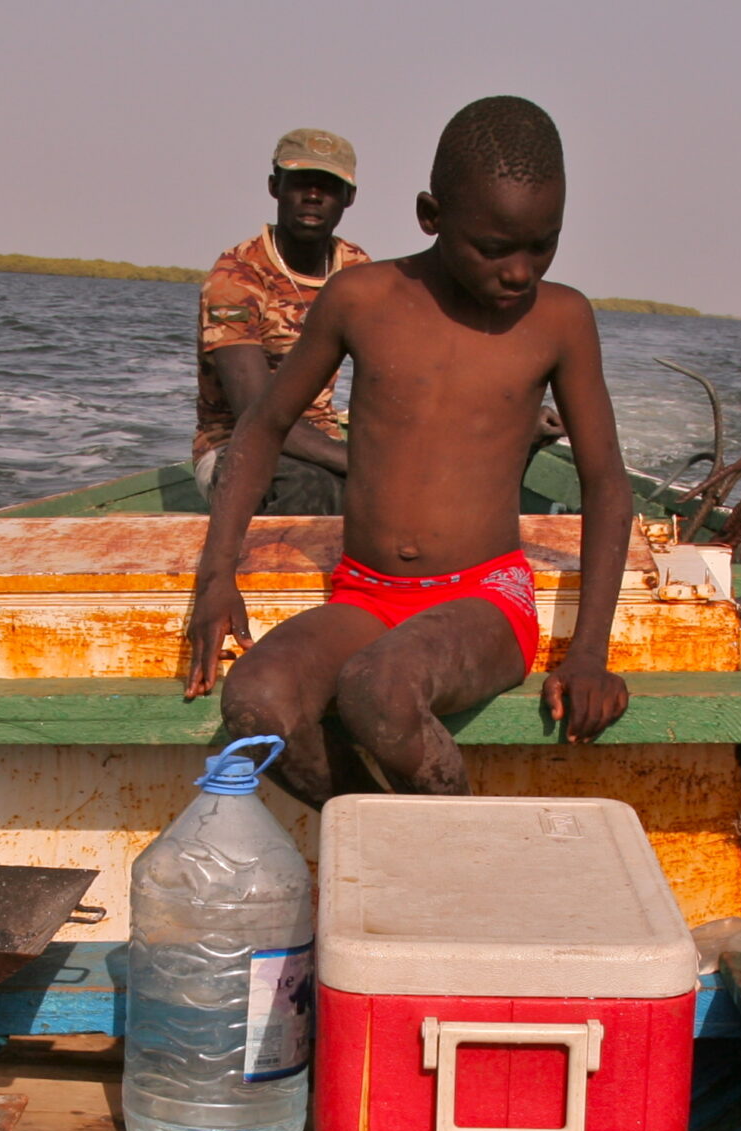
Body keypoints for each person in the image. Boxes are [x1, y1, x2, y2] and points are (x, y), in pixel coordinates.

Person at [182, 95, 631, 802]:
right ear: (431, 215)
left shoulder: (562, 319)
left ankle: (449, 864)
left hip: (484, 599)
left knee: (378, 691)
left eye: (542, 245)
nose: (519, 271)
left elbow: (606, 484)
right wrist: (216, 579)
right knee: (256, 702)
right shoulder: (362, 297)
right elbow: (261, 428)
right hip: (365, 591)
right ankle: (390, 844)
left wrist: (589, 653)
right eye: (493, 247)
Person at [191, 128, 371, 516]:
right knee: (309, 489)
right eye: (301, 183)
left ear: (348, 198)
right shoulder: (237, 276)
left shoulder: (358, 272)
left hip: (322, 442)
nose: (312, 196)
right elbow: (257, 415)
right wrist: (360, 463)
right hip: (235, 446)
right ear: (275, 187)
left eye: (328, 186)